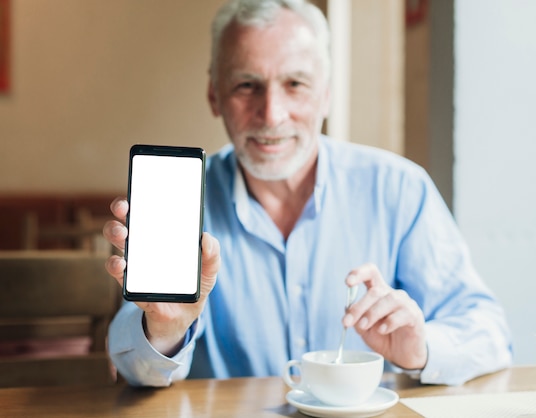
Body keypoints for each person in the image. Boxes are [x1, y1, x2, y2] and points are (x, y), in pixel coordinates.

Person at [104, 0, 512, 387]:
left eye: (295, 83)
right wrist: (164, 331)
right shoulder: (182, 201)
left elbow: (489, 333)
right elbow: (132, 362)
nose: (272, 114)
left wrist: (421, 348)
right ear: (215, 94)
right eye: (247, 85)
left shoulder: (400, 189)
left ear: (327, 93)